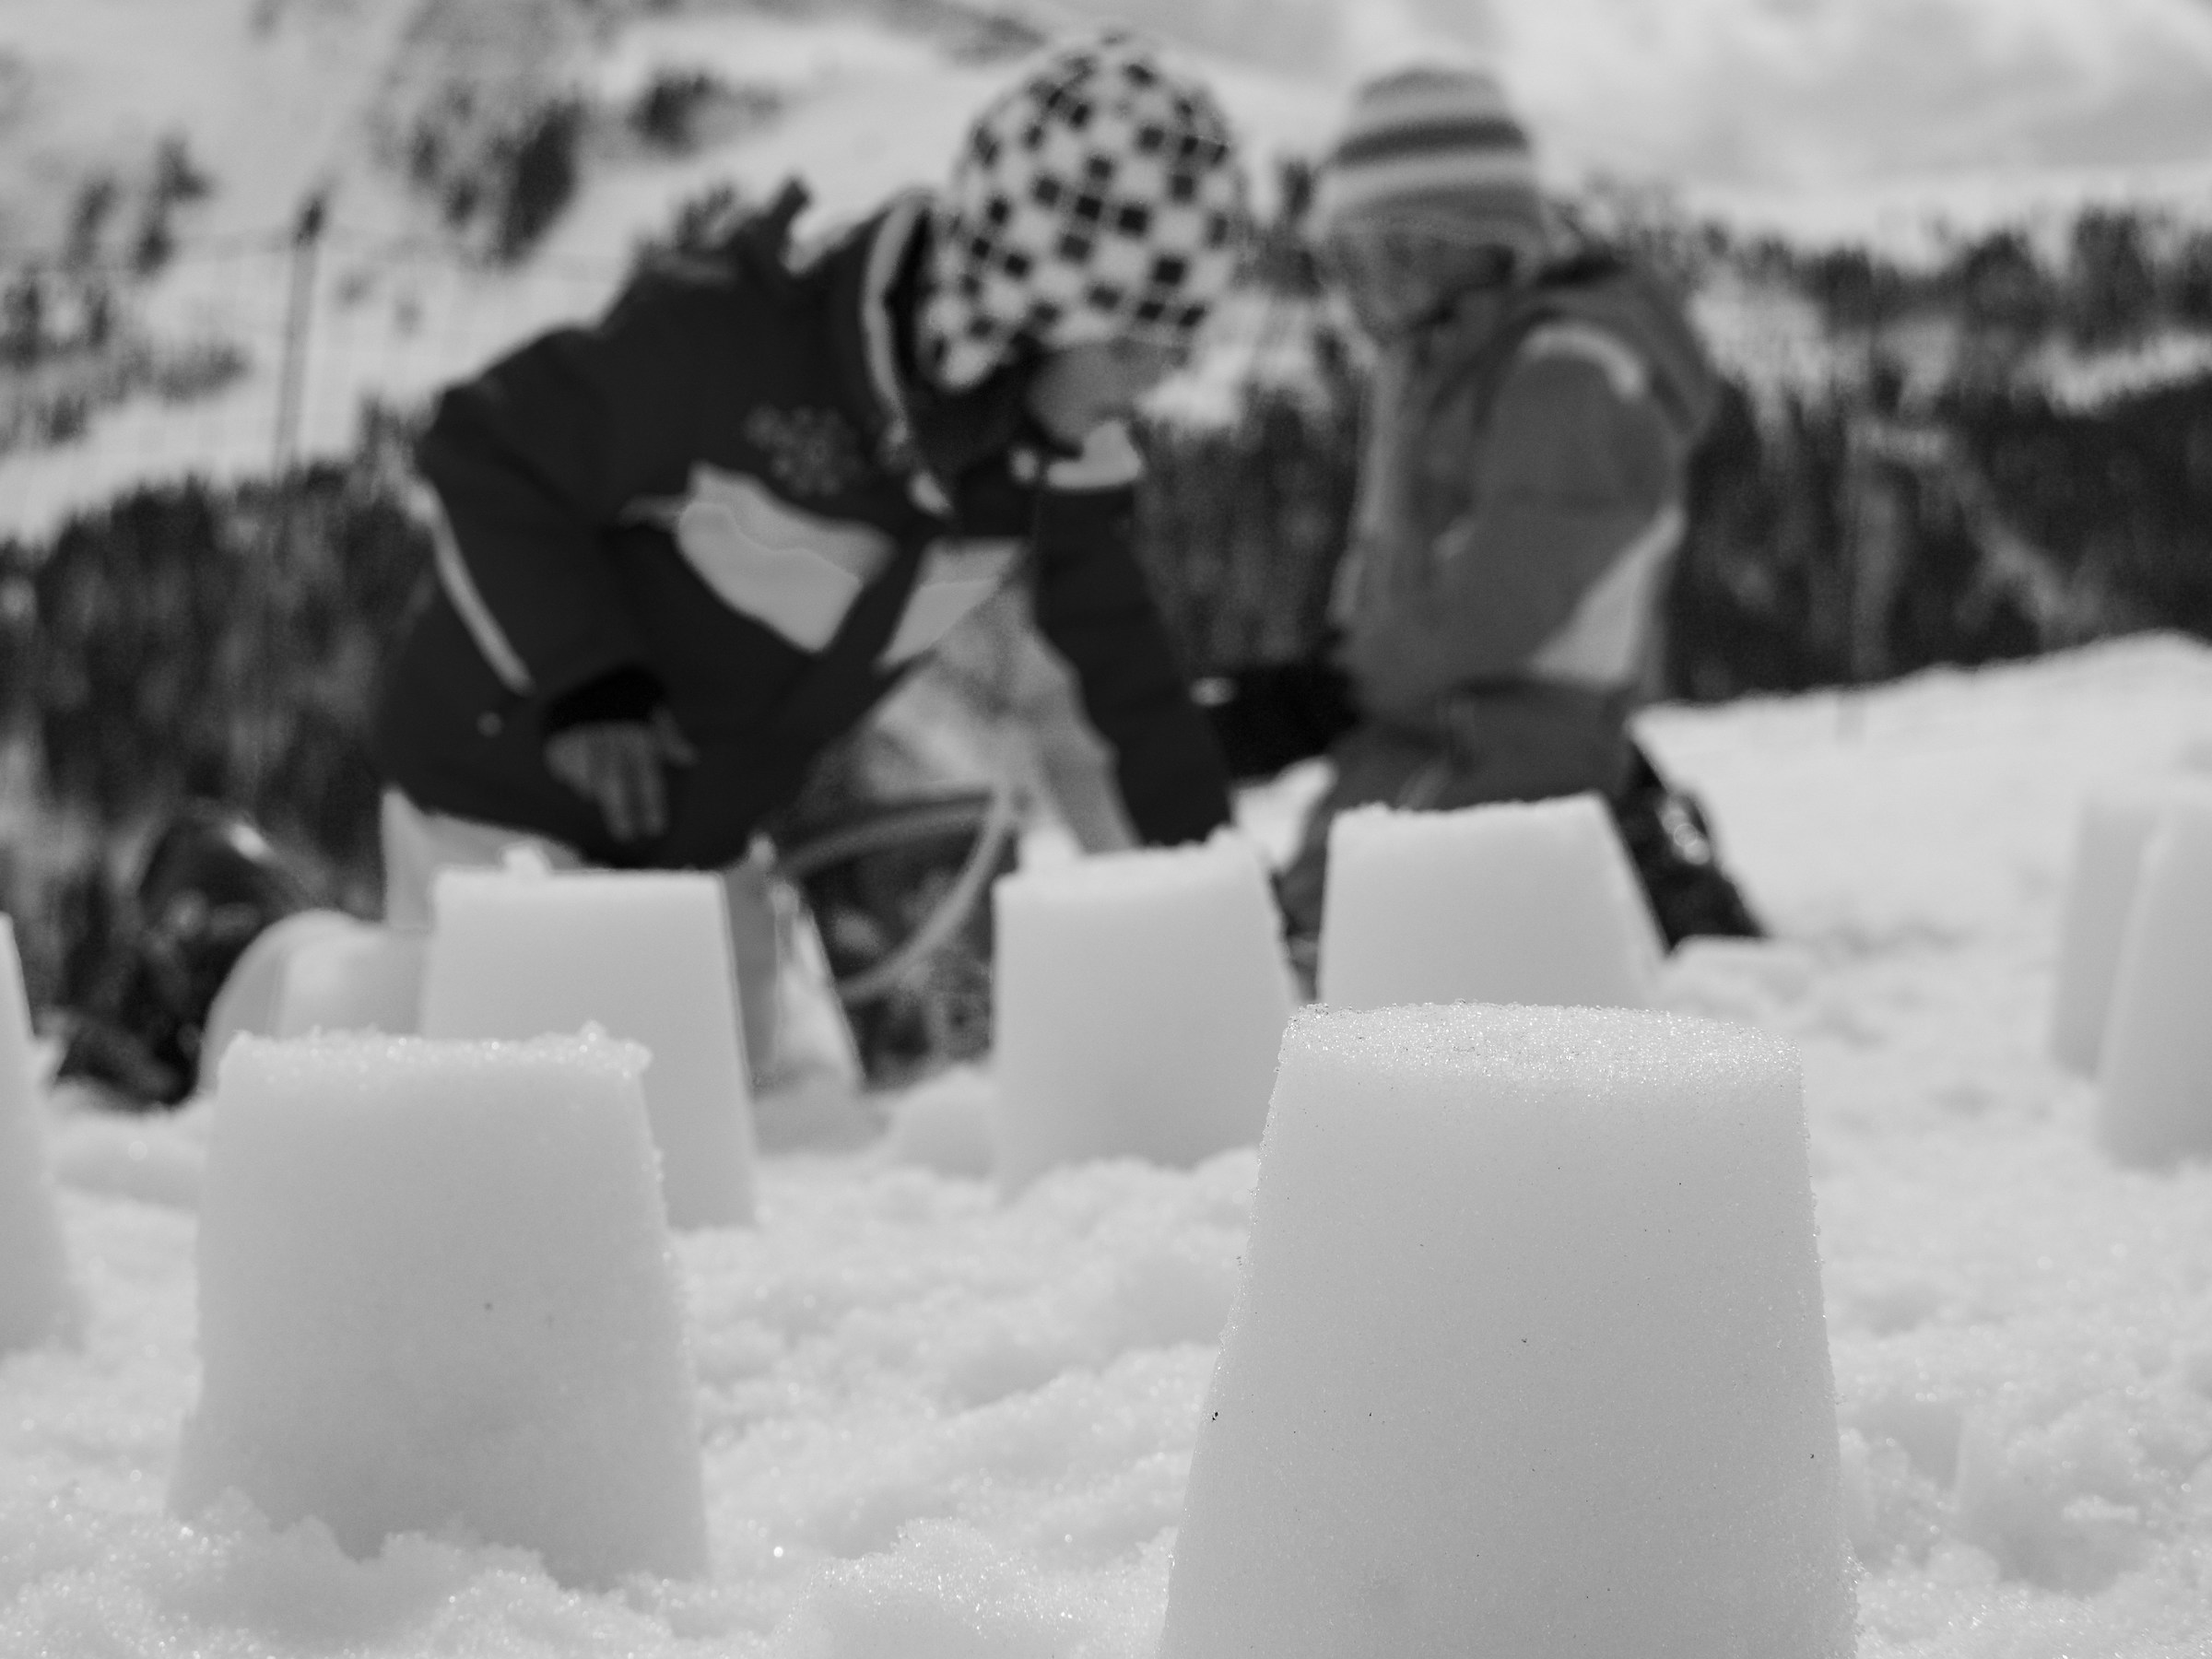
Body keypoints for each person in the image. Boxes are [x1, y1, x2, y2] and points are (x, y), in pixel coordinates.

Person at [371, 32, 1250, 1078]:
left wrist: (1220, 922)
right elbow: (490, 448)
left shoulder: (1048, 473)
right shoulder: (737, 346)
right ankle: (257, 969)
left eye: (1182, 337)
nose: (1161, 377)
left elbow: (1129, 698)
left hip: (697, 834)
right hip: (498, 789)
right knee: (514, 1111)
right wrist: (588, 680)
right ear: (1028, 305)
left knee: (725, 1113)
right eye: (1132, 340)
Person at [1255, 64, 1759, 950]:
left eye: (1403, 253)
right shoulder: (1432, 364)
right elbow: (1390, 553)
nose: (1375, 291)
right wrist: (1338, 667)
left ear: (1488, 245)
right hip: (1422, 723)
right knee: (1316, 908)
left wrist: (1334, 687)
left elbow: (1503, 599)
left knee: (1352, 935)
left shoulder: (1569, 376)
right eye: (1357, 259)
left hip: (1520, 734)